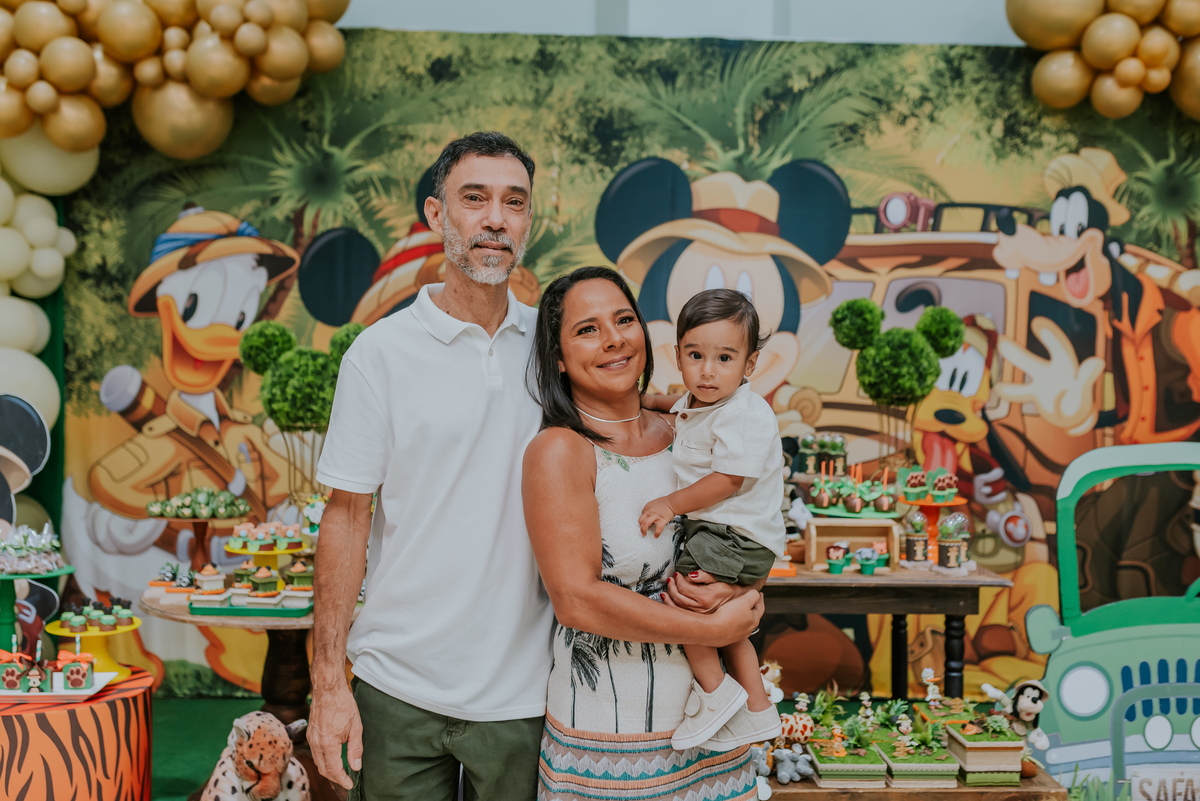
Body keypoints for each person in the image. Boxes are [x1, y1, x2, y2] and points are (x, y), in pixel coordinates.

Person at [307, 132, 552, 801]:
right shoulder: (380, 354)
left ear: (529, 220)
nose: (496, 218)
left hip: (527, 690)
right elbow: (347, 515)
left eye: (514, 202)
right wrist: (329, 682)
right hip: (398, 685)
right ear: (437, 215)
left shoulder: (555, 348)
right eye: (475, 199)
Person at [524, 266, 763, 801]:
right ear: (558, 359)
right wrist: (714, 628)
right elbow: (578, 601)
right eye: (587, 329)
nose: (613, 338)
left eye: (624, 319)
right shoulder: (561, 451)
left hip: (716, 730)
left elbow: (744, 528)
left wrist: (739, 594)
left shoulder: (689, 432)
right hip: (613, 737)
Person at [637, 289, 785, 751]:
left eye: (724, 357)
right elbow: (671, 406)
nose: (707, 370)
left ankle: (715, 693)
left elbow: (728, 481)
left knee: (684, 606)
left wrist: (669, 503)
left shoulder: (743, 414)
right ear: (677, 354)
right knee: (717, 613)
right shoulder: (702, 404)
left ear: (751, 363)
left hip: (732, 536)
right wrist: (640, 402)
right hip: (728, 535)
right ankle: (759, 711)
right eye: (695, 354)